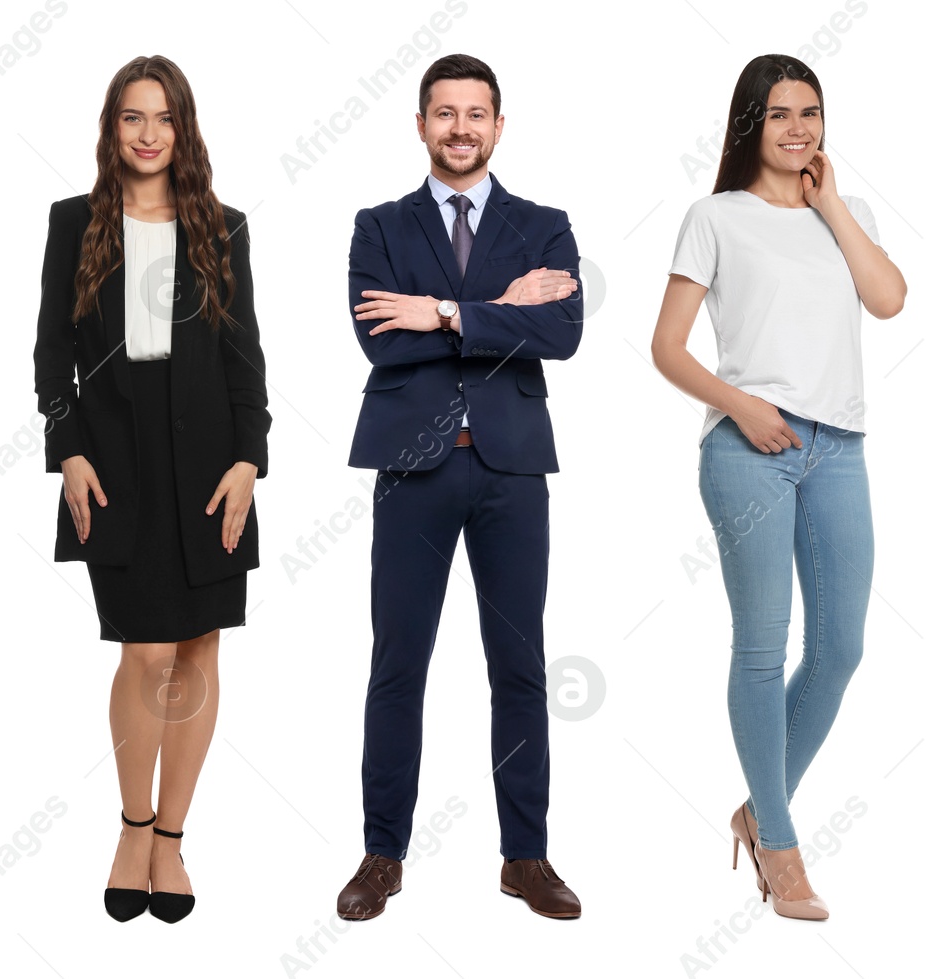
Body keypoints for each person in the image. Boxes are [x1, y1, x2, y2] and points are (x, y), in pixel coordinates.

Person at [650, 53, 905, 921]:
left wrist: (831, 202)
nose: (797, 129)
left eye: (810, 113)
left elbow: (891, 299)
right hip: (748, 449)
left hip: (839, 448)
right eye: (779, 114)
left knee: (840, 649)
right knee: (763, 646)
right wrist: (742, 407)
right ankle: (784, 848)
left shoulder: (849, 212)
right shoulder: (714, 216)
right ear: (749, 124)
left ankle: (760, 811)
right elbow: (668, 346)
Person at [335, 53, 583, 921]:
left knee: (519, 666)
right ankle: (381, 852)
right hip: (414, 468)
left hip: (511, 469)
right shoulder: (379, 226)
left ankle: (526, 855)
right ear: (420, 125)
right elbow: (380, 340)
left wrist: (441, 310)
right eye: (445, 113)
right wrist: (498, 310)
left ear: (499, 126)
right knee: (398, 664)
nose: (461, 128)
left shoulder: (543, 225)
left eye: (476, 113)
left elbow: (562, 331)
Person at [32, 54, 270, 924]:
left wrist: (251, 458)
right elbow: (51, 352)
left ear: (184, 129)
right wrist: (69, 450)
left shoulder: (224, 227)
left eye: (163, 118)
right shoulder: (75, 221)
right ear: (112, 127)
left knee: (199, 652)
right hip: (115, 465)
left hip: (212, 468)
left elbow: (247, 354)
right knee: (144, 650)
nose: (147, 134)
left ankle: (172, 839)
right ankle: (132, 826)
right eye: (132, 117)